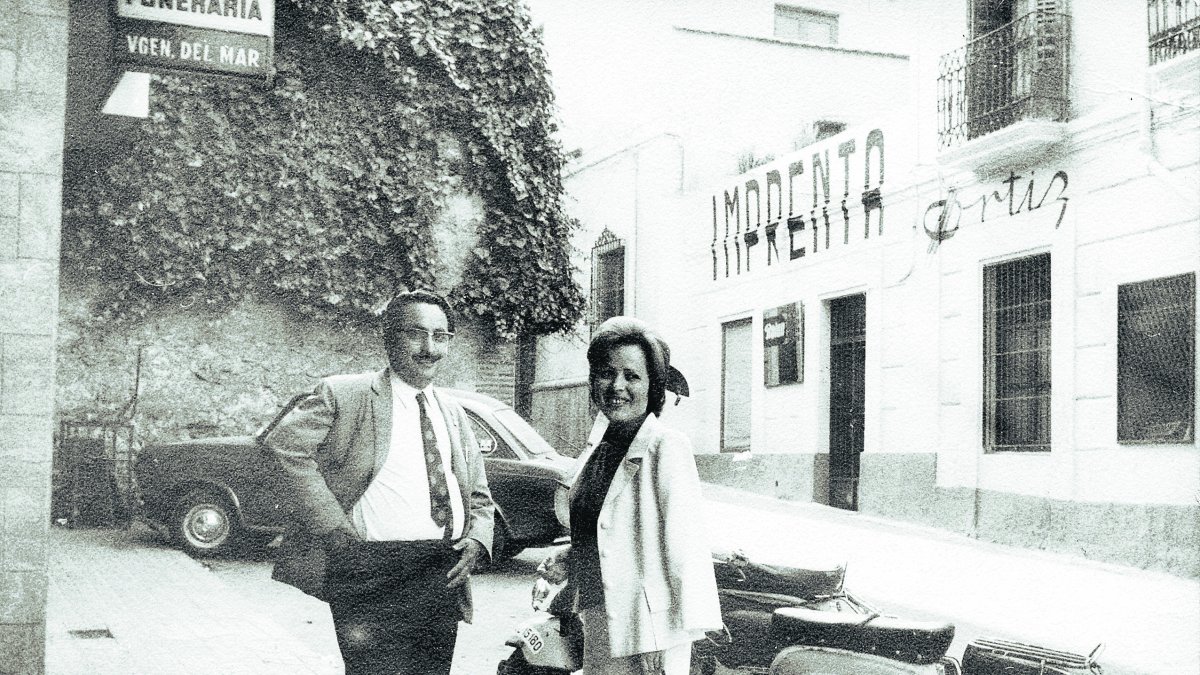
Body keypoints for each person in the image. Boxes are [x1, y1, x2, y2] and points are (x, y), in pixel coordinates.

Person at [262, 289, 495, 675]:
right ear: (388, 337)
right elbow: (283, 448)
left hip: (441, 568)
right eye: (416, 334)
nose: (429, 348)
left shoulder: (453, 410)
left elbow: (479, 495)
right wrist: (333, 528)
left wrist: (478, 540)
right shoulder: (345, 394)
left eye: (441, 336)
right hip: (370, 567)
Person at [547, 316, 722, 675]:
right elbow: (614, 529)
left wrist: (668, 639)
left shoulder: (665, 446)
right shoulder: (601, 444)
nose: (617, 385)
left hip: (647, 634)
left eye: (632, 375)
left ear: (653, 385)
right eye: (606, 373)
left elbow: (686, 551)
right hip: (598, 618)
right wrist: (572, 554)